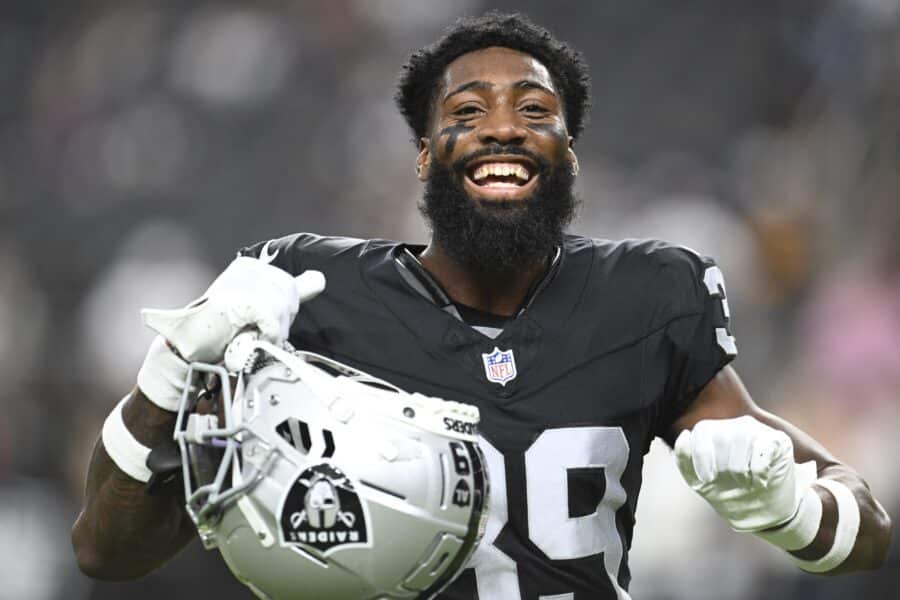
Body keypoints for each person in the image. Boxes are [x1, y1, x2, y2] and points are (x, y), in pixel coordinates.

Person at [72, 11, 892, 600]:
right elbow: (108, 551)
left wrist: (791, 511)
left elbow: (869, 528)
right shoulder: (309, 298)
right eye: (467, 113)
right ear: (425, 155)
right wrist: (170, 371)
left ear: (568, 152)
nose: (503, 129)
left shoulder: (646, 297)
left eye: (535, 112)